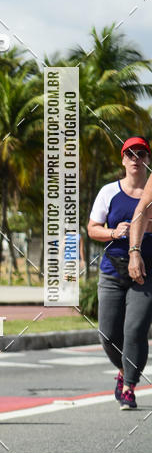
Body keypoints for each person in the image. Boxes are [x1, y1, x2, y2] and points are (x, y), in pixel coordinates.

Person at [87, 136, 152, 410]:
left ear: (148, 160)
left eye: (141, 154)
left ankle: (129, 387)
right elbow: (92, 228)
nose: (136, 159)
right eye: (131, 154)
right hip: (113, 269)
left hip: (147, 271)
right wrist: (114, 232)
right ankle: (125, 369)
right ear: (123, 159)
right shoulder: (108, 192)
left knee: (135, 329)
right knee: (108, 333)